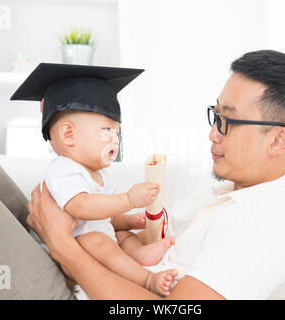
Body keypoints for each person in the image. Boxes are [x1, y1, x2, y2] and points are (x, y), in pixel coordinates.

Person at [27, 50, 285, 300]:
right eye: (215, 115)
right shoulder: (231, 192)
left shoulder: (271, 219)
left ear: (277, 140)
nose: (212, 134)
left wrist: (62, 245)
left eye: (227, 121)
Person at [11, 63, 177, 298]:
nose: (115, 140)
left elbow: (107, 215)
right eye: (107, 130)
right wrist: (128, 199)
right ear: (68, 135)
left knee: (120, 236)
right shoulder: (64, 169)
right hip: (76, 245)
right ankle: (147, 279)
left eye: (117, 133)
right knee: (102, 243)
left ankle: (140, 255)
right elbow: (82, 206)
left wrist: (128, 221)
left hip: (94, 236)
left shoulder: (99, 175)